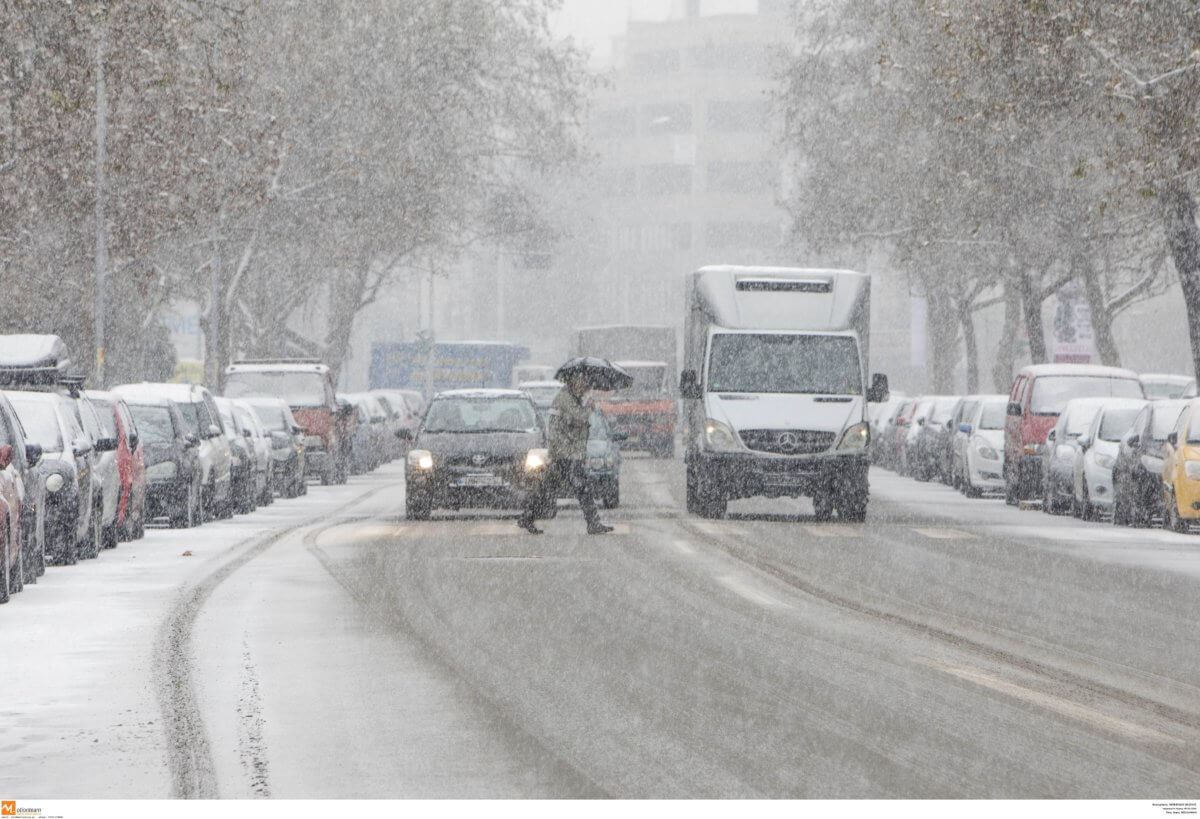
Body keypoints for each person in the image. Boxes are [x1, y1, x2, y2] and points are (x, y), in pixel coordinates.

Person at [517, 371, 613, 535]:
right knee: (582, 488)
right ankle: (593, 523)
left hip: (565, 451)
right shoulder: (566, 399)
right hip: (566, 452)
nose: (585, 387)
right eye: (583, 383)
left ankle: (527, 516)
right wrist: (589, 408)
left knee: (548, 488)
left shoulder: (569, 398)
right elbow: (579, 418)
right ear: (574, 382)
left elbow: (573, 423)